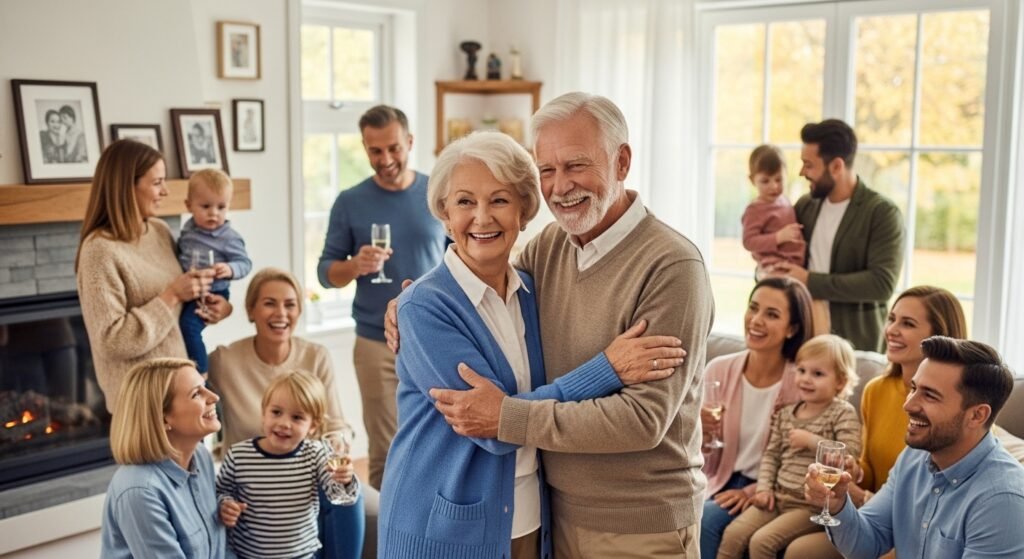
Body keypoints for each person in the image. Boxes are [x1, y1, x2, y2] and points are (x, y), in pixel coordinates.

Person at [390, 92, 715, 557]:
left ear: (621, 161)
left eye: (577, 165)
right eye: (548, 169)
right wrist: (409, 299)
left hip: (639, 523)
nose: (561, 186)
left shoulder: (672, 265)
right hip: (554, 515)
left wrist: (506, 417)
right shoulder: (551, 249)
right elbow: (474, 272)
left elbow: (642, 420)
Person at [784, 284, 967, 558]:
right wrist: (853, 470)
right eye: (892, 319)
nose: (891, 330)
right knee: (798, 552)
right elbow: (868, 465)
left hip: (918, 529)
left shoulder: (954, 405)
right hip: (874, 518)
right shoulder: (876, 390)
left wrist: (857, 497)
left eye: (907, 323)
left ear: (938, 336)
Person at [317, 105, 446, 490]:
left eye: (393, 148)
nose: (385, 160)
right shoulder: (350, 202)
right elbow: (326, 274)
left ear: (409, 142)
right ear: (365, 148)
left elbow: (462, 257)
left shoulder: (437, 191)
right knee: (386, 446)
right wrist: (355, 265)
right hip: (375, 343)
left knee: (440, 439)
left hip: (434, 336)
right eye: (375, 151)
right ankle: (385, 536)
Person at [805, 336, 1024, 558]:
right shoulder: (913, 457)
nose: (908, 404)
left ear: (977, 415)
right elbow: (866, 543)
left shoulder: (1002, 501)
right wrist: (838, 505)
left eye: (929, 395)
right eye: (914, 388)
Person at [207, 267, 364, 559]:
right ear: (251, 309)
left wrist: (338, 451)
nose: (281, 313)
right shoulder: (224, 361)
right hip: (251, 485)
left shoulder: (315, 356)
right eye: (269, 303)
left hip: (303, 473)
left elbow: (336, 424)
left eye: (290, 304)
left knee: (349, 496)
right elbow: (183, 382)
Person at [76, 139, 230, 412]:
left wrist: (213, 308)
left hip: (182, 394)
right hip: (143, 407)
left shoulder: (158, 231)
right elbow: (112, 341)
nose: (165, 191)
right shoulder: (99, 252)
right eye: (157, 182)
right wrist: (171, 296)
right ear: (127, 187)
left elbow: (175, 317)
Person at [699, 277, 814, 558]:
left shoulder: (802, 383)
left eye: (772, 314)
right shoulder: (718, 370)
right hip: (713, 479)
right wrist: (696, 429)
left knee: (705, 522)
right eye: (754, 308)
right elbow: (697, 450)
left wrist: (751, 492)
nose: (756, 320)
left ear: (792, 328)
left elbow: (798, 461)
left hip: (770, 489)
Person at [718, 334, 861, 559]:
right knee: (733, 534)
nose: (805, 379)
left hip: (809, 505)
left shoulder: (842, 413)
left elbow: (849, 455)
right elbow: (771, 455)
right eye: (801, 370)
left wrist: (811, 441)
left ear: (841, 382)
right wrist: (764, 488)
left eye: (817, 374)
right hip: (776, 496)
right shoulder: (786, 414)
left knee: (762, 543)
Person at [771, 119, 903, 352]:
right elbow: (782, 252)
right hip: (804, 338)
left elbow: (881, 284)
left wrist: (810, 281)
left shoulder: (882, 213)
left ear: (836, 166)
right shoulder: (805, 206)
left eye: (809, 165)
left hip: (857, 345)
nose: (802, 172)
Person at [217, 370, 359, 559]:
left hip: (302, 555)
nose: (284, 423)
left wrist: (346, 479)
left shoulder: (315, 454)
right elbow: (221, 492)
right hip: (248, 556)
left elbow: (339, 496)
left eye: (297, 418)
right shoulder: (238, 455)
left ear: (313, 426)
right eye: (276, 412)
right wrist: (225, 504)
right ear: (263, 414)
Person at [100, 358, 228, 557]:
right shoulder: (140, 491)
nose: (213, 397)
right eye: (196, 393)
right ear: (163, 418)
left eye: (205, 387)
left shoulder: (200, 456)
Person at [177, 169, 252, 374]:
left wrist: (229, 269)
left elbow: (245, 263)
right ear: (188, 205)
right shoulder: (188, 230)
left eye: (221, 207)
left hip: (213, 293)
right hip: (189, 290)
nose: (214, 213)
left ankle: (200, 373)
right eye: (206, 206)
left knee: (189, 327)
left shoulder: (229, 237)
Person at [741, 144, 805, 276]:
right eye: (765, 181)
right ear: (752, 180)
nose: (774, 186)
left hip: (794, 263)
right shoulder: (755, 209)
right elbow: (749, 242)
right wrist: (778, 237)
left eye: (779, 179)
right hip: (772, 266)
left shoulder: (785, 200)